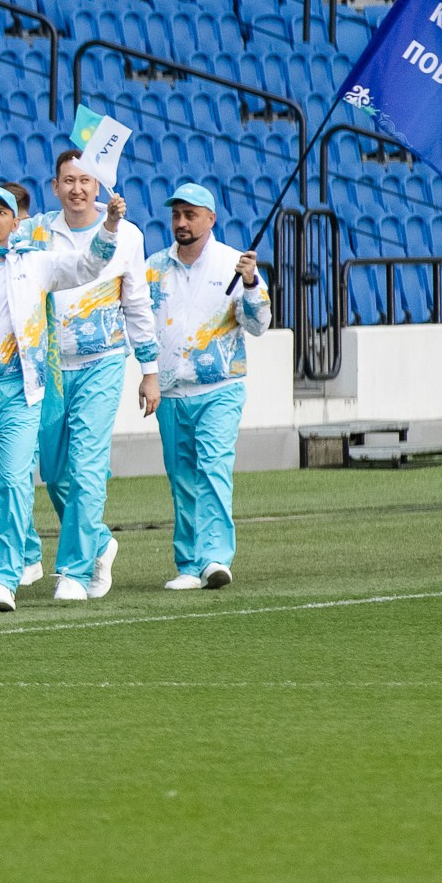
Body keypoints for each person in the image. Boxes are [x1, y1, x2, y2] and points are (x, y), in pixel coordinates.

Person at [0, 185, 124, 613]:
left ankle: (2, 581)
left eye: (1, 211)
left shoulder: (35, 263)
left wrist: (109, 225)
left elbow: (89, 265)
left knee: (14, 481)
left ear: (16, 222)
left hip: (18, 392)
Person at [25, 150, 156, 602]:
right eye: (68, 181)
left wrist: (149, 370)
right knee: (56, 472)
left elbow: (136, 301)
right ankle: (99, 542)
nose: (77, 188)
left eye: (85, 180)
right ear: (55, 186)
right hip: (49, 369)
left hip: (102, 361)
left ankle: (74, 572)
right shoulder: (36, 231)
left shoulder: (128, 234)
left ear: (98, 186)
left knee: (85, 468)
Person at [144, 184, 269, 591]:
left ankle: (214, 558)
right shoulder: (155, 267)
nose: (181, 222)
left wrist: (250, 285)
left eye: (190, 214)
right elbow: (141, 322)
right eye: (177, 214)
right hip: (171, 390)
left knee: (212, 468)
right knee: (181, 476)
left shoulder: (236, 264)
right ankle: (188, 562)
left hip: (220, 385)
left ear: (210, 219)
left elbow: (258, 324)